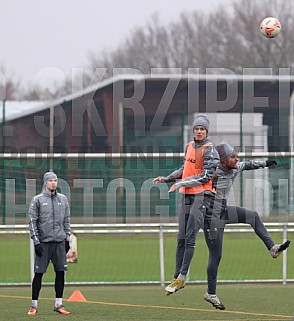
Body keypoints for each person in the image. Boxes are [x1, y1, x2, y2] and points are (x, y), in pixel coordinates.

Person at [202, 142, 291, 310]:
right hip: (210, 218)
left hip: (223, 211)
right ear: (223, 159)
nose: (237, 158)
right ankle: (211, 293)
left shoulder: (235, 167)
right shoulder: (212, 172)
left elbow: (249, 164)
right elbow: (192, 178)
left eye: (236, 155)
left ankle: (272, 248)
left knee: (252, 216)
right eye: (233, 156)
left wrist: (266, 163)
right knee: (216, 255)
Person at [153, 115, 220, 295]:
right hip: (186, 195)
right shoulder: (189, 146)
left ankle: (182, 277)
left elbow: (206, 176)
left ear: (206, 131)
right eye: (196, 128)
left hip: (201, 196)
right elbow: (184, 170)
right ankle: (176, 278)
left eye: (202, 129)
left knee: (190, 238)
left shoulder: (210, 150)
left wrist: (183, 183)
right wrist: (167, 178)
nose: (199, 131)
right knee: (180, 238)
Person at [27, 171, 71, 316]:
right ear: (45, 182)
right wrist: (36, 242)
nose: (53, 183)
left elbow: (66, 221)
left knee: (60, 273)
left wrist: (67, 239)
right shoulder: (37, 200)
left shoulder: (63, 199)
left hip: (59, 243)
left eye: (55, 180)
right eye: (51, 180)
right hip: (44, 244)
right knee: (38, 274)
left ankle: (58, 304)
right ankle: (34, 305)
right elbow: (32, 222)